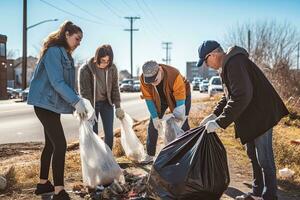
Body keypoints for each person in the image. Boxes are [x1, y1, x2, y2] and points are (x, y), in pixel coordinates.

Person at [197, 40, 289, 200]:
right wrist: (214, 115)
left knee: (264, 158)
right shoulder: (226, 68)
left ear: (212, 55)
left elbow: (242, 95)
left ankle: (270, 195)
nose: (206, 65)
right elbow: (229, 97)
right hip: (249, 116)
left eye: (205, 61)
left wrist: (220, 122)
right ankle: (256, 191)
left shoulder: (235, 62)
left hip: (261, 114)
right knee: (252, 154)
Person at [27, 21, 87, 200]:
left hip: (51, 105)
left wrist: (78, 100)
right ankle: (59, 191)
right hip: (44, 104)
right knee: (60, 144)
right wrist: (75, 101)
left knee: (51, 145)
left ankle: (43, 184)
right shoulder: (54, 51)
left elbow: (67, 84)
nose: (78, 43)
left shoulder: (67, 56)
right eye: (77, 38)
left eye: (80, 40)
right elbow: (56, 82)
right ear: (67, 34)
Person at [140, 60, 191, 164]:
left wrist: (178, 115)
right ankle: (149, 155)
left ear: (160, 69)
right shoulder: (143, 79)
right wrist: (155, 117)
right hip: (159, 98)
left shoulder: (175, 75)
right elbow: (149, 99)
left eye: (155, 79)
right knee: (152, 125)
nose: (153, 82)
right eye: (150, 81)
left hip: (179, 96)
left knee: (183, 123)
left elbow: (180, 103)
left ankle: (188, 153)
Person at [79, 44, 124, 150]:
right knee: (93, 134)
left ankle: (108, 160)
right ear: (97, 57)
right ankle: (96, 161)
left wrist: (118, 106)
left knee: (109, 133)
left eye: (108, 61)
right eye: (103, 60)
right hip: (92, 105)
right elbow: (84, 92)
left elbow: (115, 88)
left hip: (107, 103)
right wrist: (88, 109)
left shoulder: (112, 68)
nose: (105, 64)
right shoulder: (86, 69)